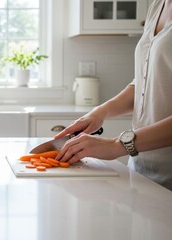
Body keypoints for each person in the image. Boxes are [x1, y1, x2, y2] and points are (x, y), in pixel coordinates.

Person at [54, 0, 172, 191]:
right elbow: (145, 83)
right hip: (141, 174)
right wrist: (100, 112)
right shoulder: (158, 5)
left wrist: (117, 145)